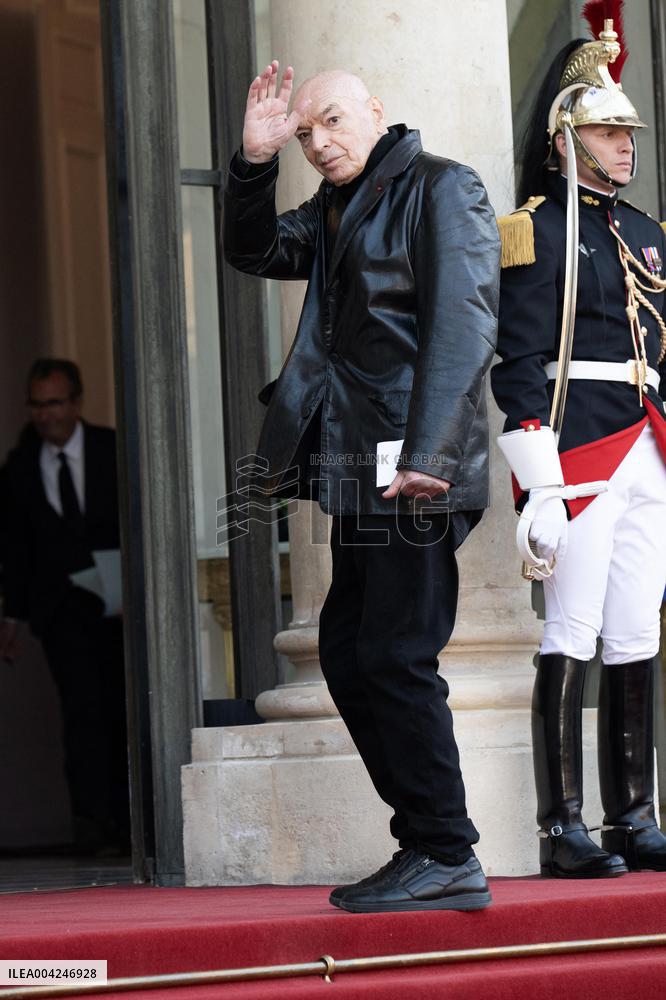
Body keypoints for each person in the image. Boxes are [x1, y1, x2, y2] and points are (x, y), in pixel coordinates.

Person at [223, 61, 499, 912]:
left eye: (332, 123)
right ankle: (428, 841)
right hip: (357, 466)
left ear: (376, 112)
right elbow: (256, 249)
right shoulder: (336, 203)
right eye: (305, 134)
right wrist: (253, 162)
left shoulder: (443, 187)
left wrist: (430, 453)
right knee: (348, 652)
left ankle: (445, 850)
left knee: (394, 653)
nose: (320, 143)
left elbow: (467, 319)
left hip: (413, 470)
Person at [492, 10, 666, 878]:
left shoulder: (643, 230)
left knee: (637, 628)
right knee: (575, 627)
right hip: (582, 447)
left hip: (648, 442)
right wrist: (541, 485)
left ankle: (634, 813)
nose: (626, 144)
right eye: (607, 129)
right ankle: (562, 826)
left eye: (628, 131)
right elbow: (520, 364)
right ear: (568, 135)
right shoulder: (535, 228)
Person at [0, 359, 129, 854]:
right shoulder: (18, 466)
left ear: (75, 402)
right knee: (81, 716)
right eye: (36, 404)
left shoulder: (111, 450)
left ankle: (128, 822)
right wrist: (12, 616)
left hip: (118, 611)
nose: (45, 415)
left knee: (121, 711)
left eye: (54, 403)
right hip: (61, 614)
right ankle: (92, 825)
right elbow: (15, 549)